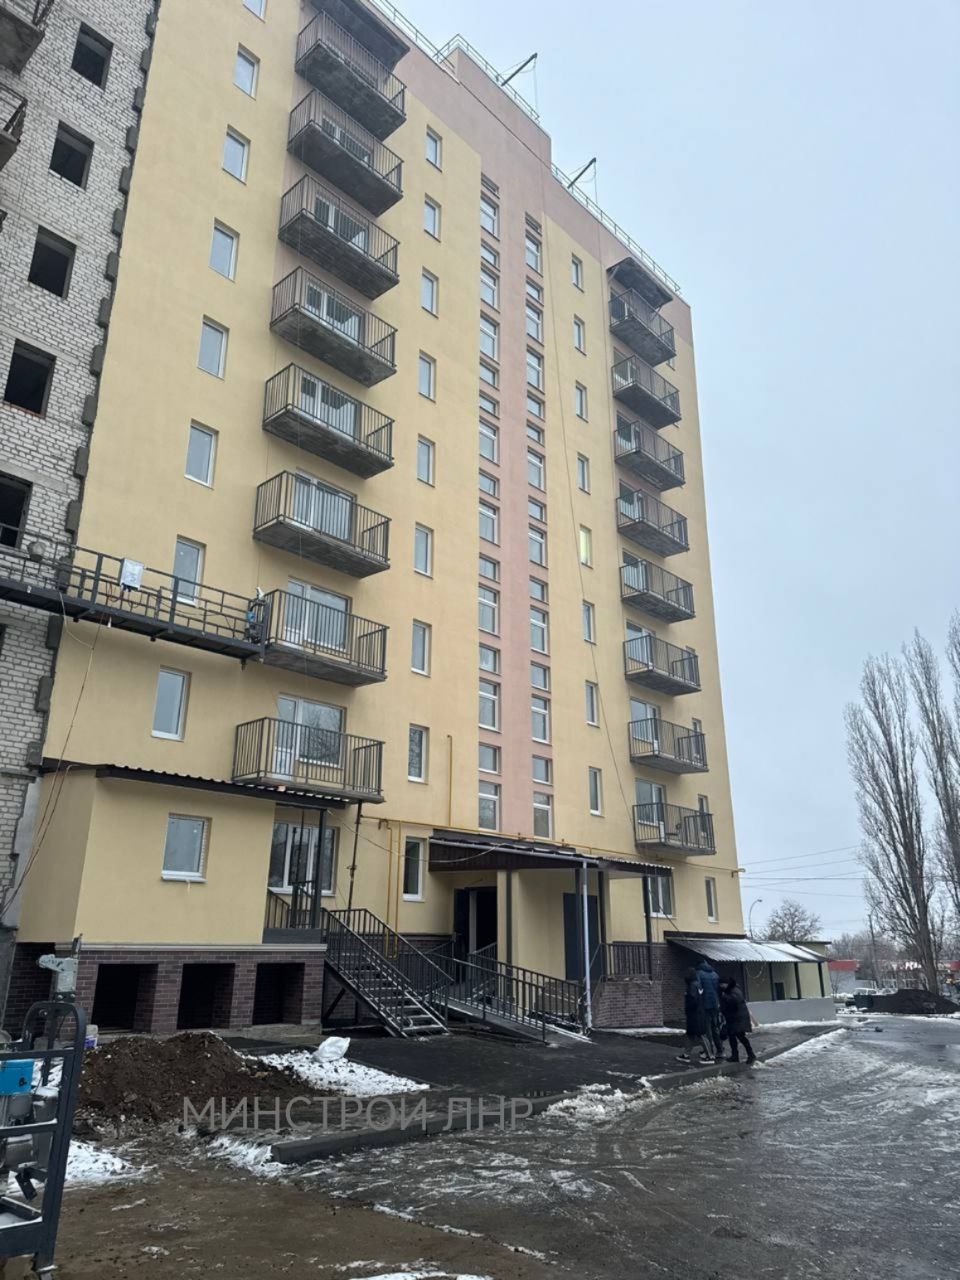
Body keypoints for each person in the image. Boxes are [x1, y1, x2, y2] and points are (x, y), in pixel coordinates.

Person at [676, 967, 715, 1064]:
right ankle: (686, 1054)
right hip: (697, 1013)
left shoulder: (692, 986)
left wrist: (688, 1009)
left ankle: (709, 1056)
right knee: (691, 1035)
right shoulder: (697, 985)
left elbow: (693, 1000)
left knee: (700, 1034)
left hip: (695, 1014)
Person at [719, 976, 756, 1063]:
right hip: (733, 1018)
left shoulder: (734, 990)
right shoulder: (730, 990)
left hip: (738, 1018)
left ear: (726, 984)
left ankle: (751, 1054)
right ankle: (735, 1056)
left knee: (741, 1037)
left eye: (722, 984)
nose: (721, 986)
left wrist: (725, 997)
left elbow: (735, 1000)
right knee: (732, 1037)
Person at [697, 958, 724, 1058]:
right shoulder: (715, 974)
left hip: (705, 1005)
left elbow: (699, 989)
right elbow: (719, 990)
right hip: (715, 1005)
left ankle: (709, 1051)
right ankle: (720, 1050)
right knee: (715, 1027)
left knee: (707, 1029)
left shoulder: (699, 973)